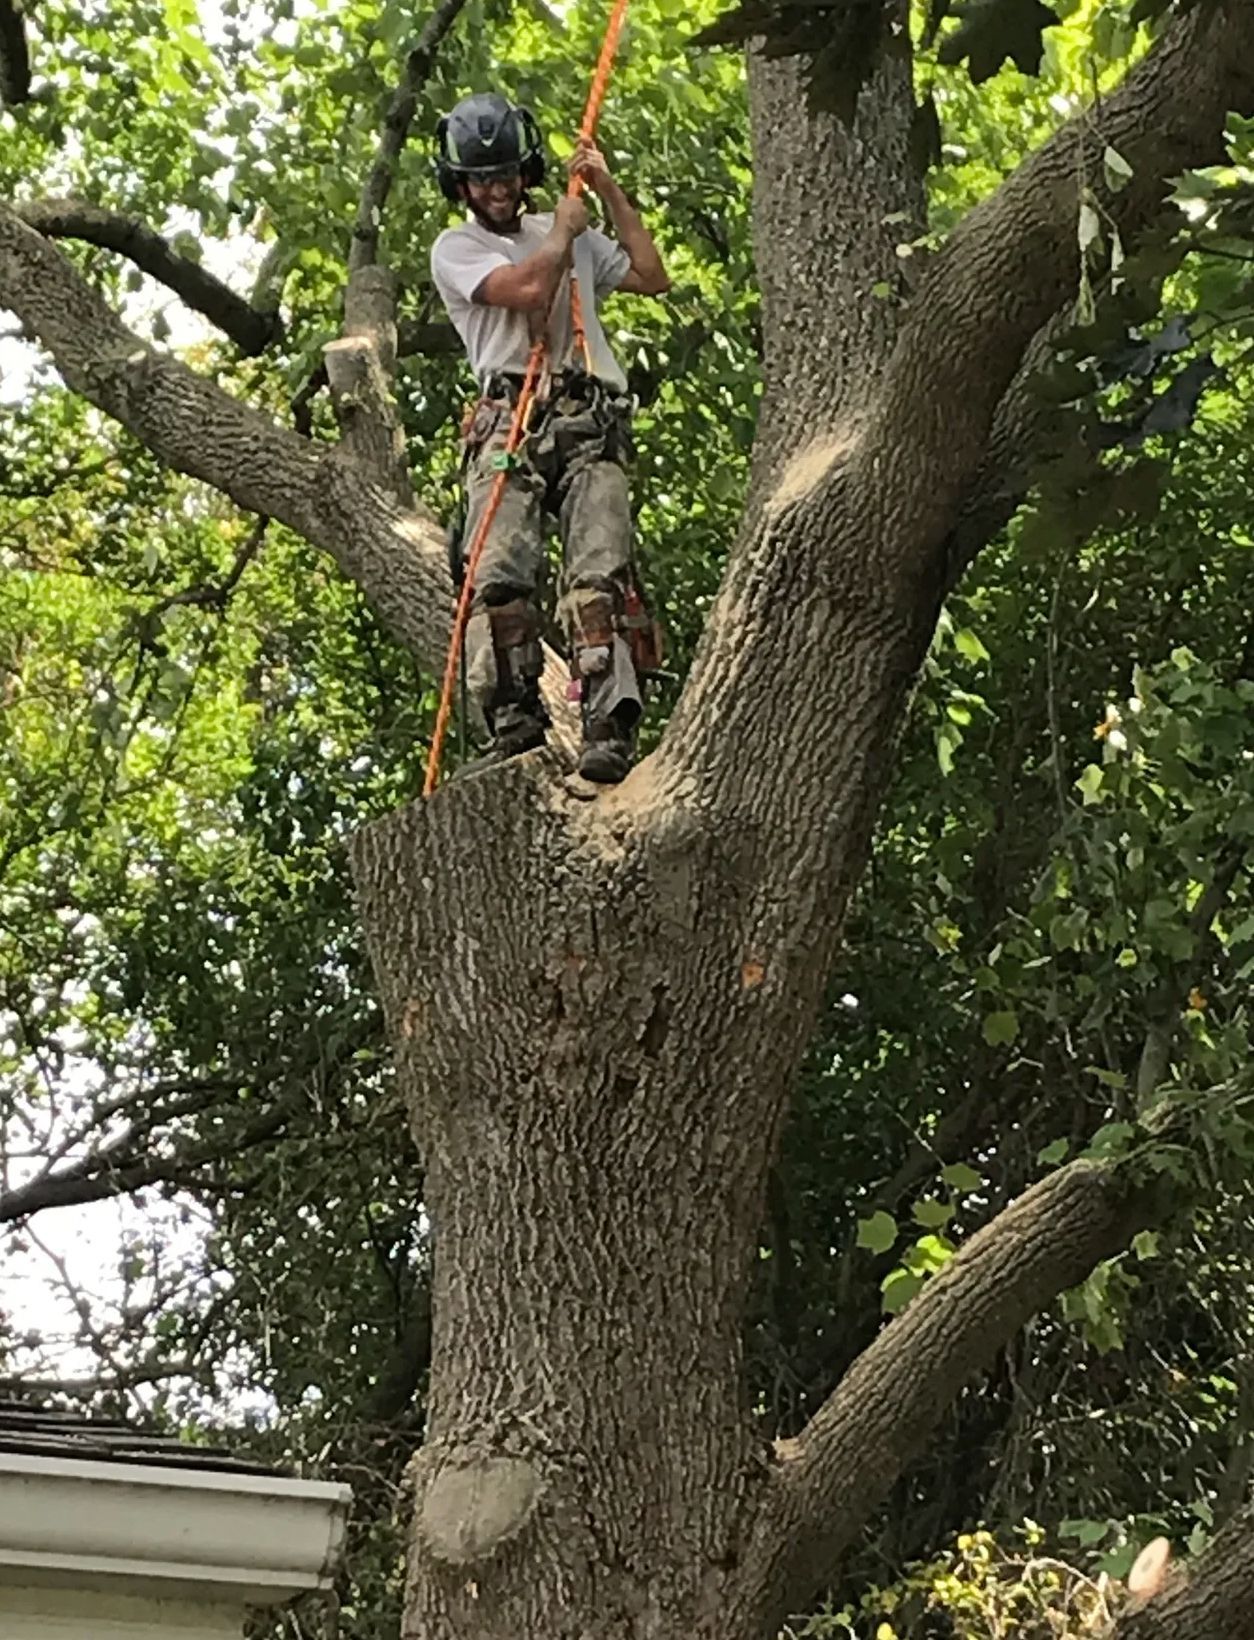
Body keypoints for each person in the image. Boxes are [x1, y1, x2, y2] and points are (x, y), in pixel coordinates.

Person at [430, 92, 669, 784]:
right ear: (461, 186)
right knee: (498, 575)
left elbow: (651, 274)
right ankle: (514, 725)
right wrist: (563, 234)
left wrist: (604, 190)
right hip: (510, 417)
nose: (497, 190)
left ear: (524, 170)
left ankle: (608, 725)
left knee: (601, 570)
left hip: (586, 415)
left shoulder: (566, 225)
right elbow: (529, 289)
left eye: (506, 175)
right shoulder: (459, 248)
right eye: (482, 180)